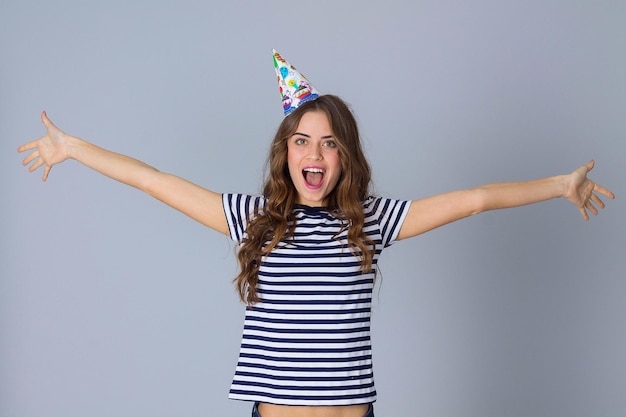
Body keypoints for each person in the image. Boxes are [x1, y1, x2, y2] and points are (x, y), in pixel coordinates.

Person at [17, 52, 614, 417]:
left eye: (330, 142)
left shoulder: (371, 221)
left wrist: (561, 184)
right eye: (302, 140)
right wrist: (73, 149)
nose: (315, 152)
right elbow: (153, 181)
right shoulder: (256, 217)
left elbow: (477, 200)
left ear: (345, 157)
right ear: (286, 153)